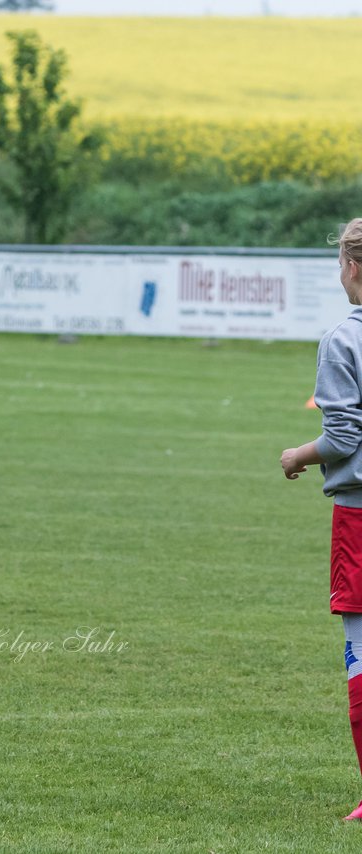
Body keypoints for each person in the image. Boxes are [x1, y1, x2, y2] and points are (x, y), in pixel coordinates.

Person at [282, 217, 362, 821]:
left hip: (359, 517)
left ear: (354, 267)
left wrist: (297, 456)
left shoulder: (343, 339)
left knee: (361, 651)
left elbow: (342, 434)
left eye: (340, 262)